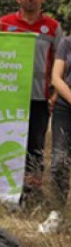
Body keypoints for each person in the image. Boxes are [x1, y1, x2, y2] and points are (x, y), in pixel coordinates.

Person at [0, 0, 63, 189]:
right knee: (7, 141)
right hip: (9, 95)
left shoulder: (53, 28)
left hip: (39, 96)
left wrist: (55, 93)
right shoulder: (4, 23)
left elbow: (61, 61)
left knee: (35, 144)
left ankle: (32, 189)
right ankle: (4, 186)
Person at [50, 36, 71, 203]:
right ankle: (58, 209)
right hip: (65, 107)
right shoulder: (67, 42)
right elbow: (56, 78)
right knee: (59, 162)